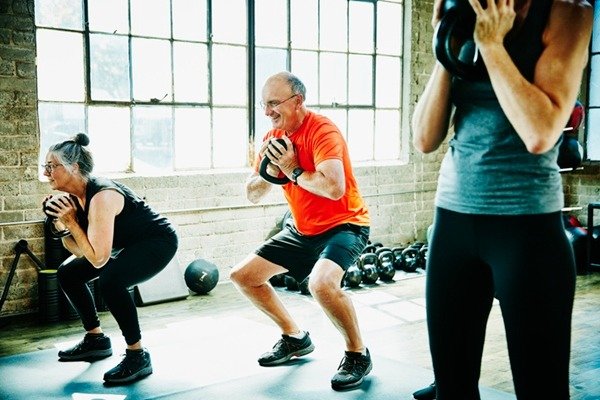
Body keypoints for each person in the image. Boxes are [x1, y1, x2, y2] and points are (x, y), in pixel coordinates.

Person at [411, 0, 592, 399]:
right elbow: (425, 139)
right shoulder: (466, 13)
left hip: (527, 229)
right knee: (452, 389)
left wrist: (491, 45)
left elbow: (540, 132)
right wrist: (447, 45)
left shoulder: (568, 13)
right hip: (453, 224)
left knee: (540, 390)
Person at [229, 71, 372, 391]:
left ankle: (357, 353)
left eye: (273, 104)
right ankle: (295, 337)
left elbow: (334, 189)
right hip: (302, 230)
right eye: (263, 106)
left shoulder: (322, 131)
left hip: (345, 225)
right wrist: (270, 170)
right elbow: (252, 193)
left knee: (321, 285)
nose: (267, 113)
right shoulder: (272, 140)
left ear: (298, 102)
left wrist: (293, 169)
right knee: (243, 276)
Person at [42, 133, 179, 384]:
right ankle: (96, 340)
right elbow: (80, 251)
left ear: (74, 167)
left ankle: (138, 355)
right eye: (46, 166)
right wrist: (63, 224)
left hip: (156, 241)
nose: (46, 172)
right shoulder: (74, 197)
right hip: (124, 245)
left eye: (52, 166)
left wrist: (71, 221)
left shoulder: (102, 196)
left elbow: (98, 260)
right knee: (68, 272)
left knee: (110, 281)